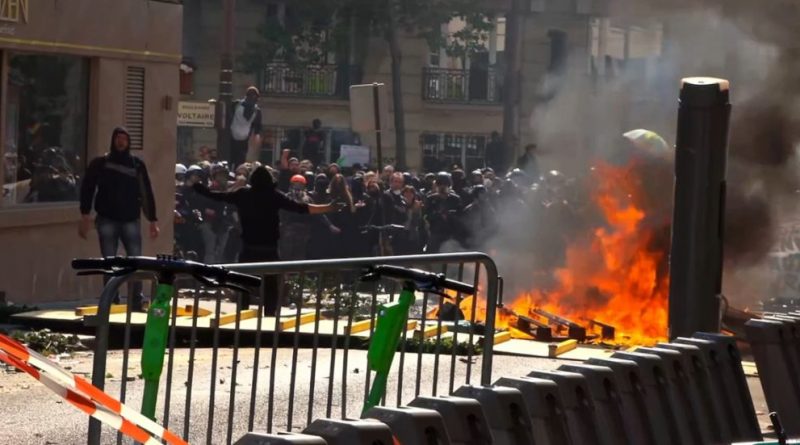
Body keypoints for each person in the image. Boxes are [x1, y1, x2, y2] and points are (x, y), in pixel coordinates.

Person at [193, 166, 340, 315]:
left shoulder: (243, 194)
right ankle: (269, 313)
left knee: (244, 282)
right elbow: (301, 208)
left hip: (248, 248)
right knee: (271, 284)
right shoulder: (274, 196)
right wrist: (328, 208)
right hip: (268, 248)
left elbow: (218, 196)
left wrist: (198, 187)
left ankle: (243, 313)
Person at [78, 127, 159, 309]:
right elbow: (88, 188)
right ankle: (110, 299)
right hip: (107, 218)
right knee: (109, 262)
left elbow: (146, 192)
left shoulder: (136, 164)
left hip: (131, 219)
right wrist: (85, 215)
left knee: (135, 261)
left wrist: (152, 220)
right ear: (113, 140)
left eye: (124, 138)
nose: (121, 142)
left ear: (128, 142)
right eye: (118, 138)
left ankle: (136, 301)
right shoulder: (101, 163)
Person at [424, 172, 463, 253]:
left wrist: (450, 215)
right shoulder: (431, 199)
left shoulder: (455, 199)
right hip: (436, 233)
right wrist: (439, 214)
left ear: (449, 185)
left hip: (451, 235)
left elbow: (460, 217)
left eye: (445, 184)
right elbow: (427, 216)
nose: (442, 186)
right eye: (440, 183)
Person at [279, 174, 313, 261]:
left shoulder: (308, 199)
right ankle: (285, 273)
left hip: (303, 230)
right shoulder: (286, 197)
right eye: (295, 184)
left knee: (300, 253)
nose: (298, 186)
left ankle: (298, 274)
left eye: (300, 184)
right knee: (286, 252)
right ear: (291, 185)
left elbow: (315, 213)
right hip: (289, 229)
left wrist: (330, 225)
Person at [228, 86, 263, 169]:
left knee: (240, 161)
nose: (252, 100)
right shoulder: (236, 104)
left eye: (254, 98)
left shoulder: (257, 111)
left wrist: (254, 138)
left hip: (244, 139)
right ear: (247, 96)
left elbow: (257, 128)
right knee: (230, 158)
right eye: (251, 97)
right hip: (231, 136)